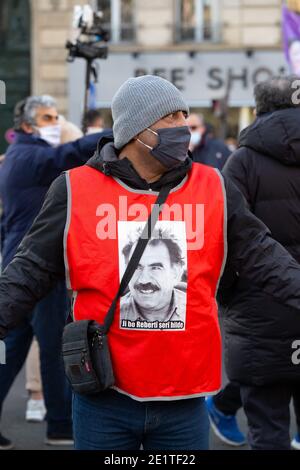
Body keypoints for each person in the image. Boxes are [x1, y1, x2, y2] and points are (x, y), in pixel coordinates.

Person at [1, 76, 300, 450]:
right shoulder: (75, 189)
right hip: (104, 397)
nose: (183, 127)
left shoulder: (215, 187)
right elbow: (30, 269)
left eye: (184, 116)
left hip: (184, 398)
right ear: (135, 130)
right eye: (170, 117)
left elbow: (263, 254)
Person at [0, 95, 110, 450]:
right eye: (48, 117)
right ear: (27, 126)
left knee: (14, 349)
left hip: (21, 264)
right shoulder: (30, 155)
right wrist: (112, 132)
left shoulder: (19, 156)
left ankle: (59, 424)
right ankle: (60, 426)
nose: (55, 122)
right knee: (52, 348)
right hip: (39, 269)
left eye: (57, 115)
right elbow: (68, 154)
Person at [213, 76, 300, 451]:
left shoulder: (241, 161)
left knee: (267, 428)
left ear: (260, 106)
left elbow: (226, 239)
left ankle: (220, 409)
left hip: (258, 310)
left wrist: (229, 297)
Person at [120, 225, 186, 328]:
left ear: (176, 273)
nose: (144, 279)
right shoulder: (114, 314)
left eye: (155, 268)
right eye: (136, 267)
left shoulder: (194, 310)